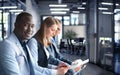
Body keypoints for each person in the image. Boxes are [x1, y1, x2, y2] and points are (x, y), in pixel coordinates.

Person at [0, 12, 69, 75]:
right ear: (16, 25)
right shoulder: (7, 45)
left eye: (32, 26)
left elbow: (33, 68)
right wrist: (55, 72)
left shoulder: (24, 45)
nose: (30, 29)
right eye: (25, 25)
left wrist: (55, 70)